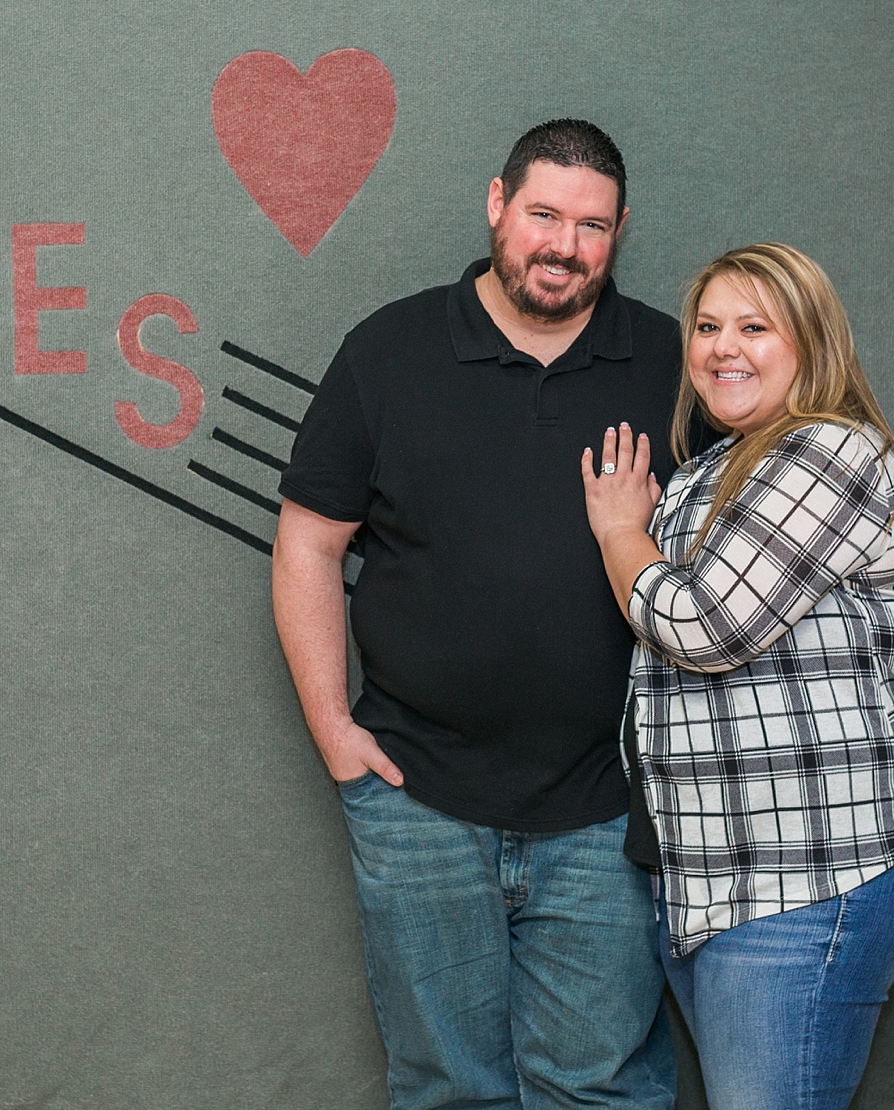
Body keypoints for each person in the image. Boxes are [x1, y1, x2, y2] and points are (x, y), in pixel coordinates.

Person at [274, 119, 679, 1110]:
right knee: (445, 1087)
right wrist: (334, 729)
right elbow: (307, 545)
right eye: (541, 213)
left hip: (607, 803)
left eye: (589, 225)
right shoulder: (388, 350)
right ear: (496, 206)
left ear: (618, 231)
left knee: (602, 1088)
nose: (561, 245)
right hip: (417, 796)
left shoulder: (671, 361)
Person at [581, 243, 894, 1110]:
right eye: (707, 327)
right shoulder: (716, 465)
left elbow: (703, 626)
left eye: (755, 326)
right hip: (716, 875)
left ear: (810, 342)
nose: (723, 347)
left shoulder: (831, 451)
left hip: (812, 877)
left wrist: (616, 531)